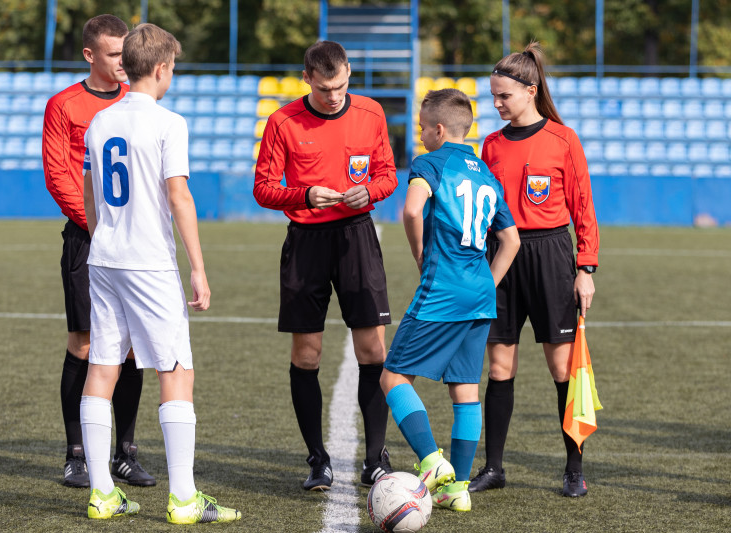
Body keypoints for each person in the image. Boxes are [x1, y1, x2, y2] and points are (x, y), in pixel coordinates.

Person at [79, 23, 241, 523]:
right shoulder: (169, 123)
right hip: (149, 264)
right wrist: (198, 268)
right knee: (177, 371)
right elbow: (179, 196)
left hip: (104, 257)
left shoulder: (99, 121)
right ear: (163, 67)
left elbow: (89, 195)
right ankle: (185, 500)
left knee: (102, 369)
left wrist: (103, 235)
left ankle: (103, 493)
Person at [253, 40, 398, 490]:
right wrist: (304, 194)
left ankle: (375, 457)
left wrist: (370, 192)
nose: (333, 95)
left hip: (357, 237)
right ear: (307, 79)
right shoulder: (282, 121)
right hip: (306, 242)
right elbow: (262, 188)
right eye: (324, 88)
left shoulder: (372, 114)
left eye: (340, 86)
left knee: (373, 350)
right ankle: (317, 459)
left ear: (349, 73)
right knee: (307, 354)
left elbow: (388, 175)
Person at [468, 42, 600, 498]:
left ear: (530, 89)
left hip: (550, 256)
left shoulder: (564, 139)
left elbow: (583, 207)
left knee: (561, 367)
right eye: (493, 97)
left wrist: (586, 268)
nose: (497, 104)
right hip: (502, 257)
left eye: (504, 96)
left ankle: (572, 468)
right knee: (499, 365)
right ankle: (494, 468)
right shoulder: (491, 144)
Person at [380, 89, 520, 513]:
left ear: (439, 130)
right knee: (465, 390)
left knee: (393, 378)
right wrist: (488, 283)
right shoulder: (487, 175)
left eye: (423, 128)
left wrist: (419, 254)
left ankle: (430, 460)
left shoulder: (429, 162)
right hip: (479, 293)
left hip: (442, 289)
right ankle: (456, 489)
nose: (421, 135)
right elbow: (510, 240)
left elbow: (410, 211)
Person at [42, 14, 154, 489]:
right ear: (90, 56)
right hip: (89, 240)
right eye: (114, 55)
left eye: (126, 53)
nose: (124, 63)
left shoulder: (140, 102)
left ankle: (124, 453)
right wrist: (101, 225)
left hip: (135, 243)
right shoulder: (64, 105)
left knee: (130, 351)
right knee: (85, 345)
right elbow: (59, 177)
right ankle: (77, 455)